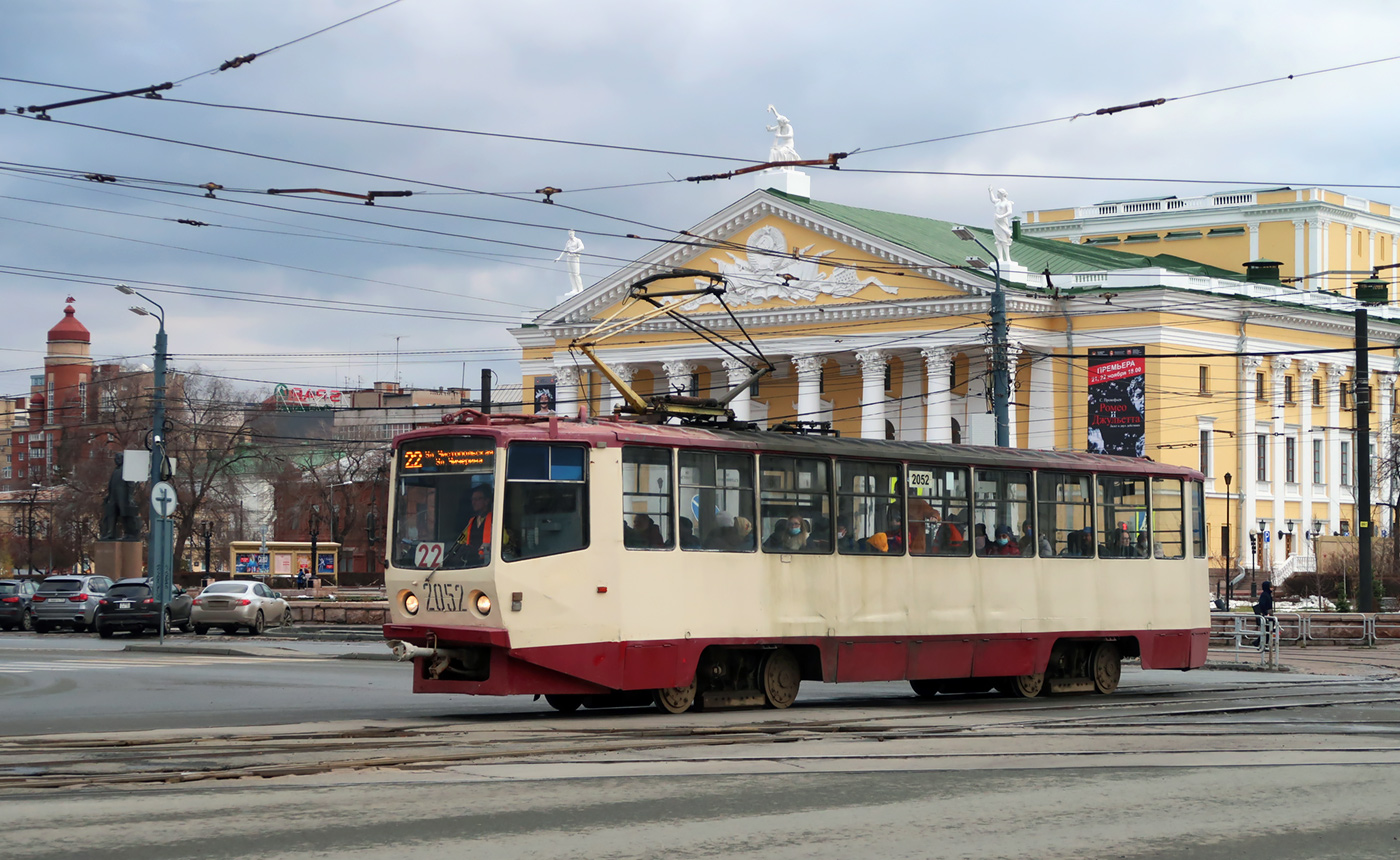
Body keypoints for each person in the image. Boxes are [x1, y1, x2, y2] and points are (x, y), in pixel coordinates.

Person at [454, 484, 493, 566]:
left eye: (477, 499)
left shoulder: (495, 520)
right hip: (471, 564)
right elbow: (461, 541)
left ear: (486, 501)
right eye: (472, 499)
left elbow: (504, 541)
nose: (473, 502)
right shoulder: (472, 521)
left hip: (487, 564)